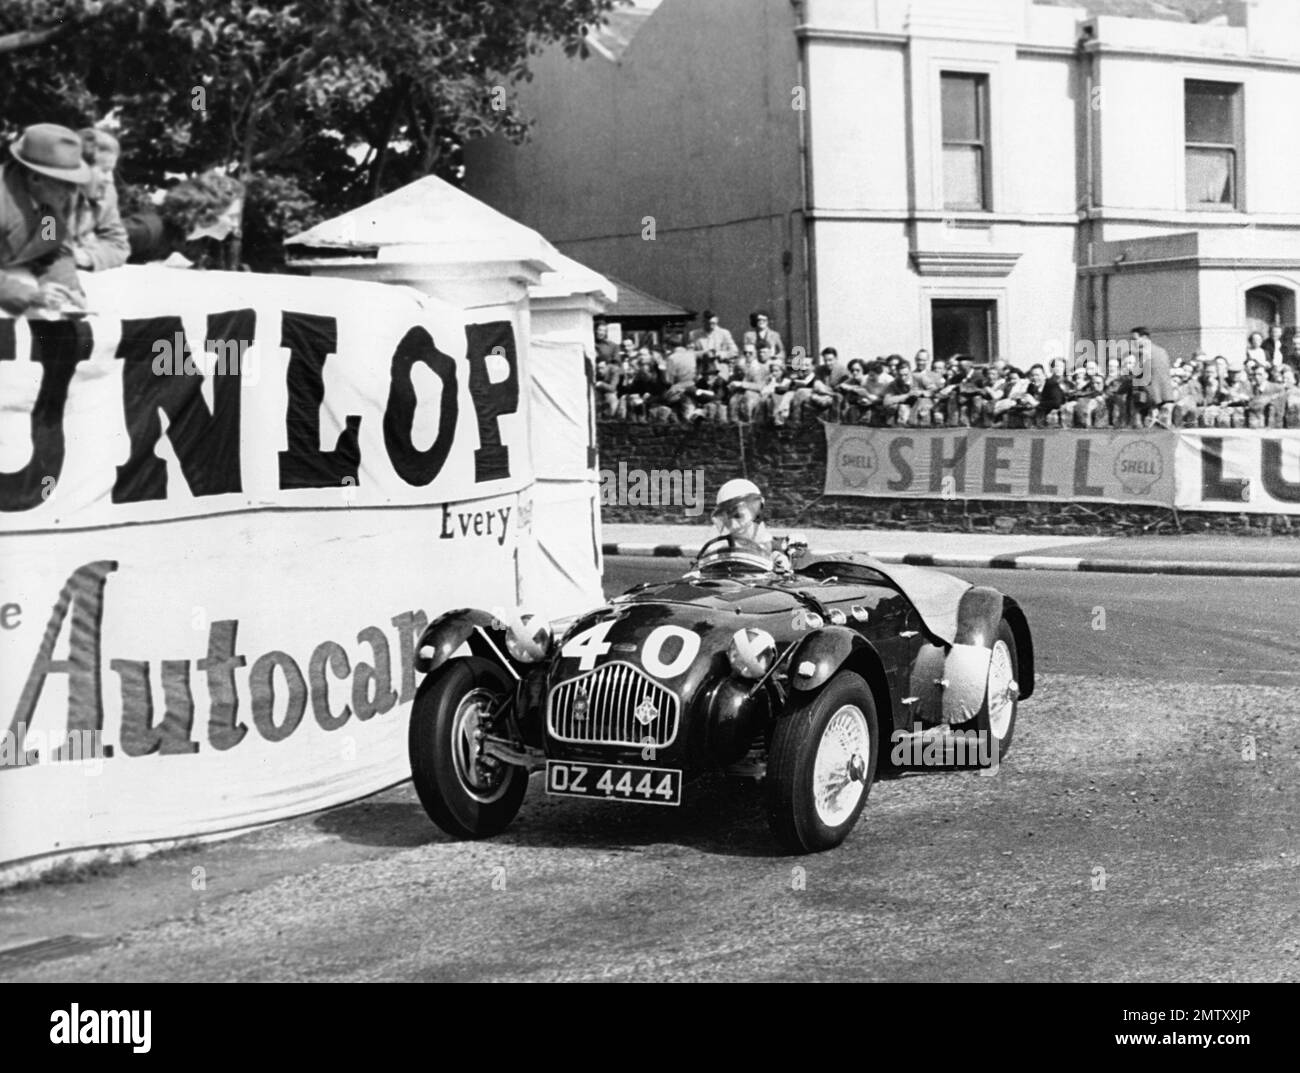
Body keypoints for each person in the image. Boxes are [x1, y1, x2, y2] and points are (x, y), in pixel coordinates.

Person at [0, 123, 90, 315]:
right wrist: (29, 295)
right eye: (66, 183)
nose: (73, 192)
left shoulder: (50, 206)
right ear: (35, 178)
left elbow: (50, 250)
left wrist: (68, 291)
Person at [69, 128, 129, 271]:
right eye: (105, 171)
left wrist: (88, 256)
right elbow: (46, 244)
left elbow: (119, 245)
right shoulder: (50, 196)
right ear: (81, 169)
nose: (110, 179)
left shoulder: (107, 193)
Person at [710, 478, 772, 555]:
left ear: (756, 512)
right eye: (727, 522)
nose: (734, 526)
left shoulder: (776, 552)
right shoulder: (724, 552)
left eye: (738, 516)